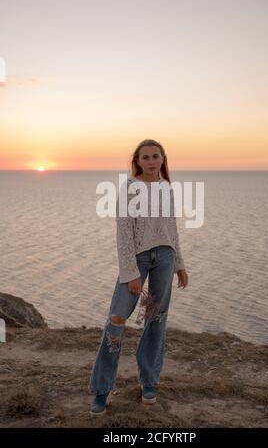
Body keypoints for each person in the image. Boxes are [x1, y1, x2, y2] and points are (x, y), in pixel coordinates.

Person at [88, 139, 189, 415]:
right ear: (138, 161)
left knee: (156, 319)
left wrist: (179, 263)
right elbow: (123, 233)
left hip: (165, 258)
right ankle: (101, 390)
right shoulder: (130, 188)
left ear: (163, 158)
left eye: (156, 156)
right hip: (139, 260)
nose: (151, 161)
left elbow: (172, 228)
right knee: (117, 318)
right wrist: (130, 271)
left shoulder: (167, 188)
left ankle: (149, 382)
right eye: (146, 157)